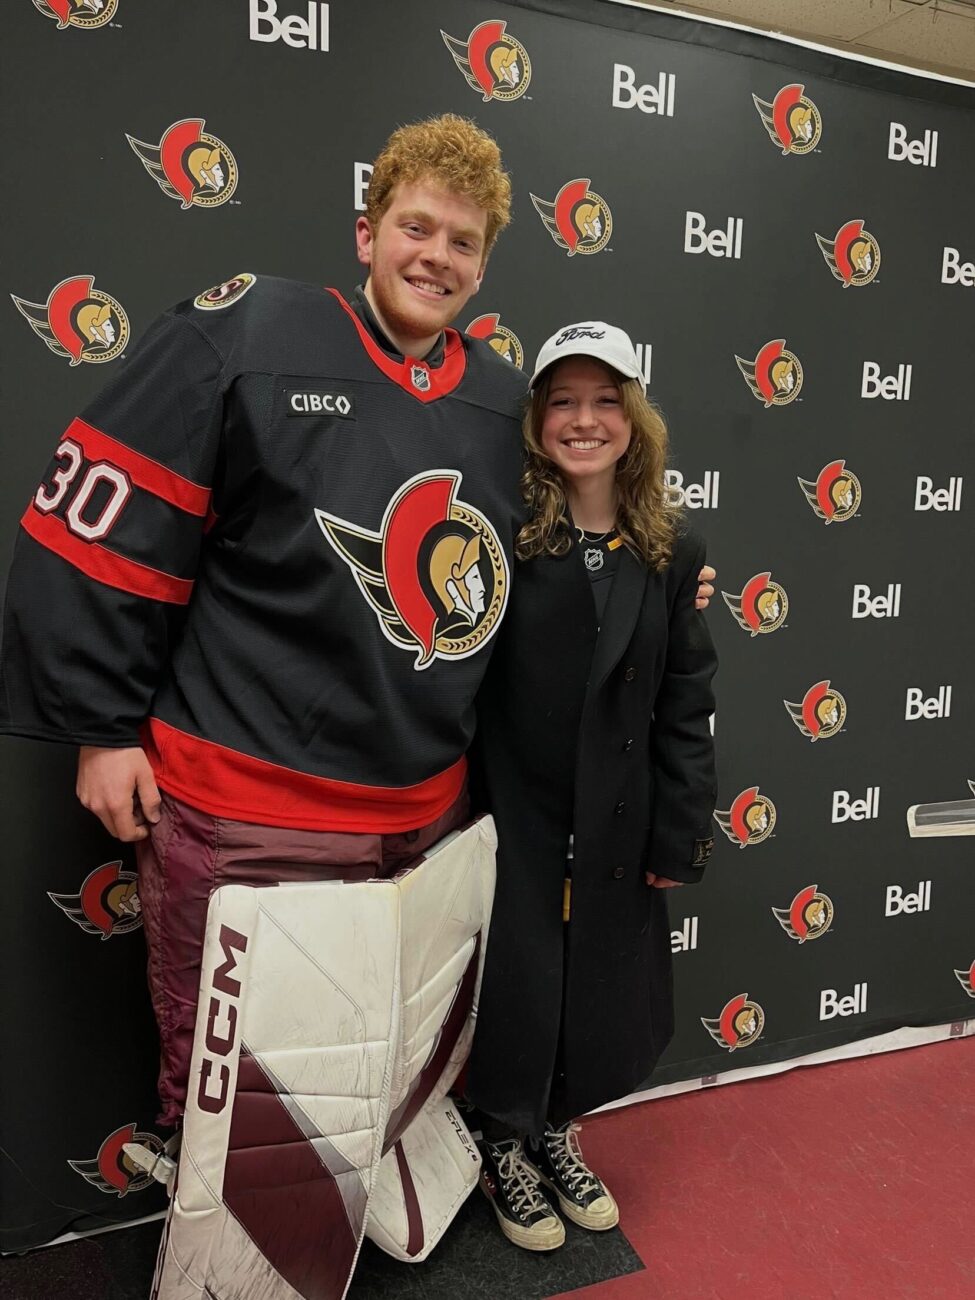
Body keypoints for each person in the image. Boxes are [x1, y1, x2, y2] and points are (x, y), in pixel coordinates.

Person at [0, 114, 715, 1130]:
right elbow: (103, 514)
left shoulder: (507, 409)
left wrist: (667, 573)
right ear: (366, 231)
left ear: (485, 264)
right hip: (241, 808)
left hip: (421, 828)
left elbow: (572, 559)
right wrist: (103, 724)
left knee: (361, 1077)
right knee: (225, 1089)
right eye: (415, 227)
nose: (436, 256)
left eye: (462, 241)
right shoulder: (247, 331)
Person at [465, 322, 718, 1251]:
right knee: (517, 982)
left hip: (618, 819)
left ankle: (556, 1128)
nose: (583, 420)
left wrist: (678, 830)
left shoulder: (673, 548)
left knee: (600, 990)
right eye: (562, 401)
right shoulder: (501, 532)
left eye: (605, 400)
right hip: (514, 812)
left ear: (633, 417)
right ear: (535, 418)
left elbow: (686, 699)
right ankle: (503, 1138)